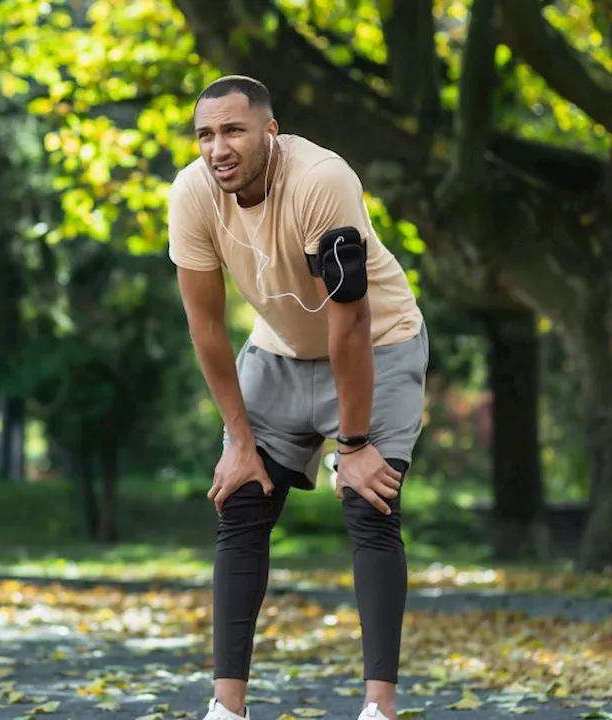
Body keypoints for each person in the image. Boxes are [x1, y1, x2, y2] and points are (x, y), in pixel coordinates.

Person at [167, 75, 428, 720]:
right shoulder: (192, 193)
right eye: (206, 134)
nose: (217, 147)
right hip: (278, 352)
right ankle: (227, 709)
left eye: (233, 130)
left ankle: (379, 709)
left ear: (270, 133)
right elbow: (205, 325)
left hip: (379, 346)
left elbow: (352, 323)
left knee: (371, 506)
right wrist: (239, 441)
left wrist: (356, 445)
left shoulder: (322, 180)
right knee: (241, 503)